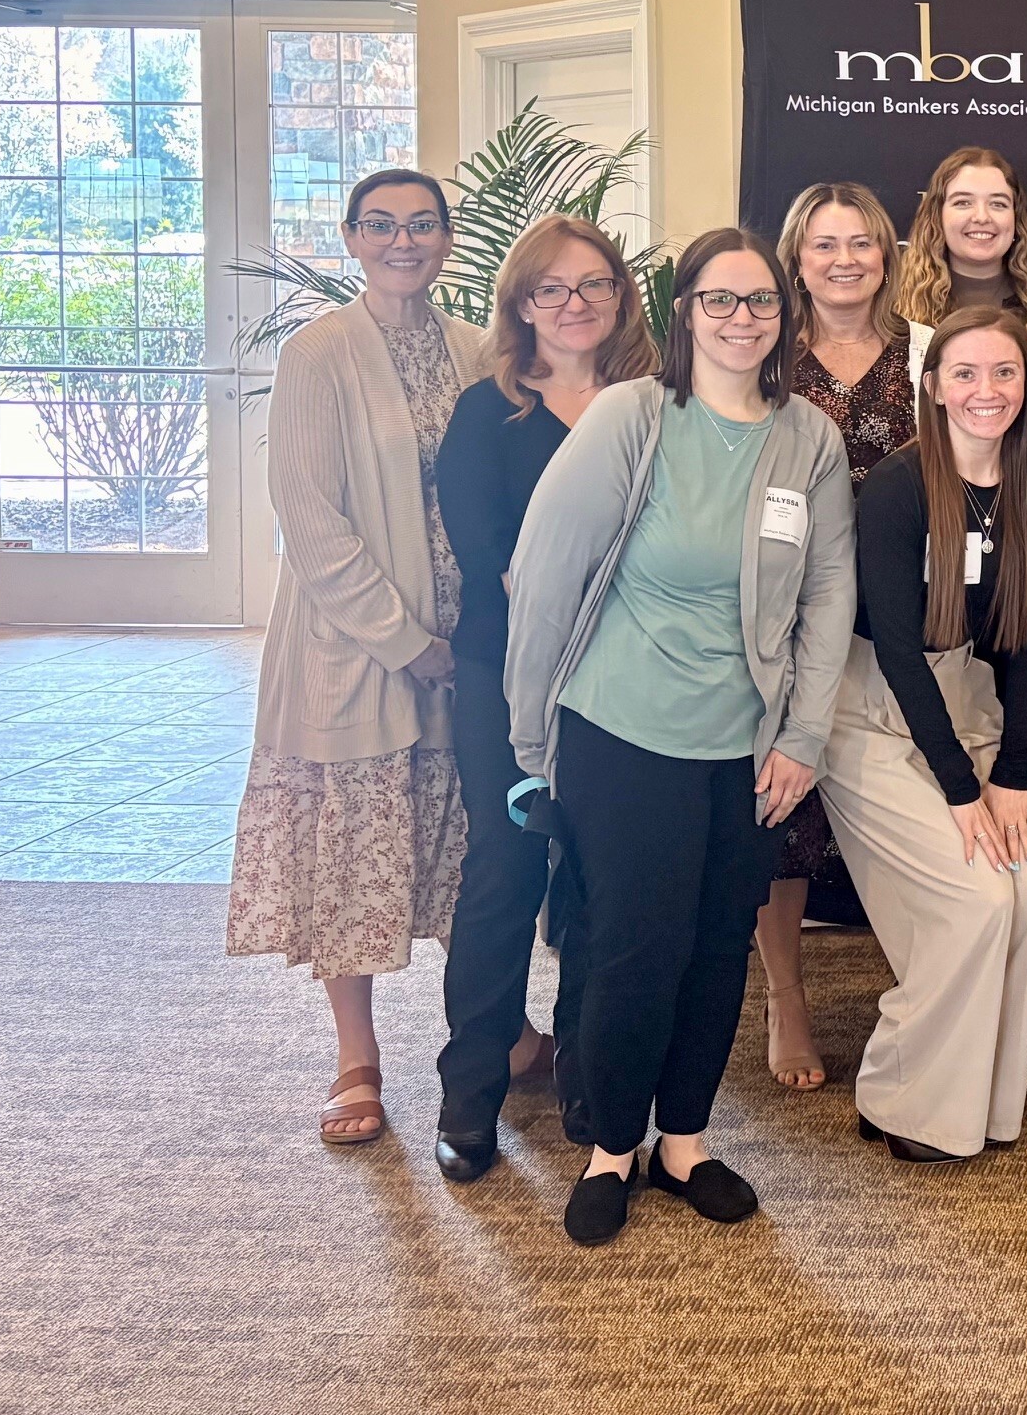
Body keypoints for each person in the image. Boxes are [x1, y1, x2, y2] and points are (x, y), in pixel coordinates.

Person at [503, 228, 857, 1247]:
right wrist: (532, 741)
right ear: (684, 310)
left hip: (746, 751)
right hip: (623, 730)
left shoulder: (809, 441)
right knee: (628, 949)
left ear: (782, 317)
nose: (741, 320)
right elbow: (545, 576)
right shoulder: (634, 418)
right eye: (719, 300)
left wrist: (804, 736)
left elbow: (828, 599)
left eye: (759, 303)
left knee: (713, 950)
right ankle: (612, 1146)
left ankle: (685, 1142)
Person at [228, 168, 484, 1147]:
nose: (402, 241)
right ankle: (357, 1060)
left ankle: (493, 1035)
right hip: (355, 643)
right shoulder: (319, 353)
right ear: (350, 237)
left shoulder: (473, 349)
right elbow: (307, 515)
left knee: (465, 849)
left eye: (421, 224)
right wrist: (404, 639)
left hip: (464, 645)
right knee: (354, 850)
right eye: (381, 225)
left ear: (448, 238)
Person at [432, 215, 656, 1181]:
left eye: (595, 285)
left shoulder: (655, 406)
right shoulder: (489, 412)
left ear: (621, 298)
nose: (574, 305)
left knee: (601, 875)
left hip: (625, 676)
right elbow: (486, 556)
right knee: (508, 868)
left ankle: (585, 1079)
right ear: (521, 303)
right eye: (552, 289)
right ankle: (470, 1086)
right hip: (507, 670)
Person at [823, 305, 1027, 1164]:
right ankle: (905, 1096)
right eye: (964, 373)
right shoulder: (895, 486)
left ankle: (980, 1108)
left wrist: (1013, 778)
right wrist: (962, 790)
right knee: (972, 898)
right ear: (932, 388)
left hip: (968, 704)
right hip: (873, 712)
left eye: (1004, 373)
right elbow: (892, 645)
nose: (985, 390)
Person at [753, 182, 913, 1095]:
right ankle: (786, 997)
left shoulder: (924, 354)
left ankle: (922, 985)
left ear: (886, 257)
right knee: (785, 813)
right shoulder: (762, 358)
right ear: (797, 256)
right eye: (825, 244)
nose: (844, 259)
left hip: (897, 620)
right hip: (790, 620)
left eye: (862, 243)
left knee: (904, 803)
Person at [897, 146, 1027, 385]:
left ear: (1016, 220)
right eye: (963, 202)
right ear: (937, 217)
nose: (982, 217)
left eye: (998, 204)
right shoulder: (896, 312)